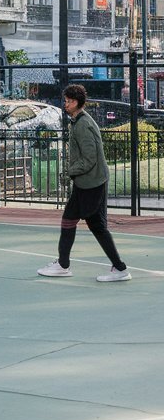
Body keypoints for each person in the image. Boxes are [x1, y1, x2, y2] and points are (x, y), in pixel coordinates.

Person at [37, 83, 130, 282]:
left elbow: (90, 159)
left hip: (91, 183)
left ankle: (65, 265)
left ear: (78, 103)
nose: (66, 104)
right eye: (65, 101)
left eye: (69, 101)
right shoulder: (78, 121)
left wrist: (69, 172)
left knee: (79, 222)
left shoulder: (83, 125)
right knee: (92, 225)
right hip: (89, 182)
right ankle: (118, 268)